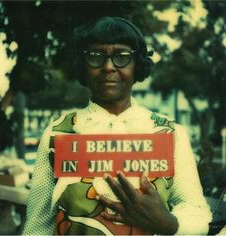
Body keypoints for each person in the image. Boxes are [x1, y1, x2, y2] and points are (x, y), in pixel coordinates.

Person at [23, 16, 212, 235]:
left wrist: (169, 223)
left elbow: (197, 210)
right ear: (82, 65)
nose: (108, 67)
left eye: (122, 56)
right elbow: (37, 225)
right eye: (96, 56)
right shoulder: (59, 134)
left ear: (137, 64)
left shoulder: (170, 134)